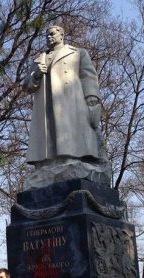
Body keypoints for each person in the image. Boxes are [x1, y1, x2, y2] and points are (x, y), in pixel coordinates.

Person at [22, 26, 103, 175]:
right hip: (46, 105)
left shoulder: (77, 53)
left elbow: (89, 76)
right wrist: (37, 74)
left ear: (62, 35)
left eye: (52, 34)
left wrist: (92, 97)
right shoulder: (39, 59)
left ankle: (72, 158)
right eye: (46, 35)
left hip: (71, 102)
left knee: (70, 132)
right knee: (49, 134)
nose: (49, 37)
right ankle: (50, 162)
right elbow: (26, 86)